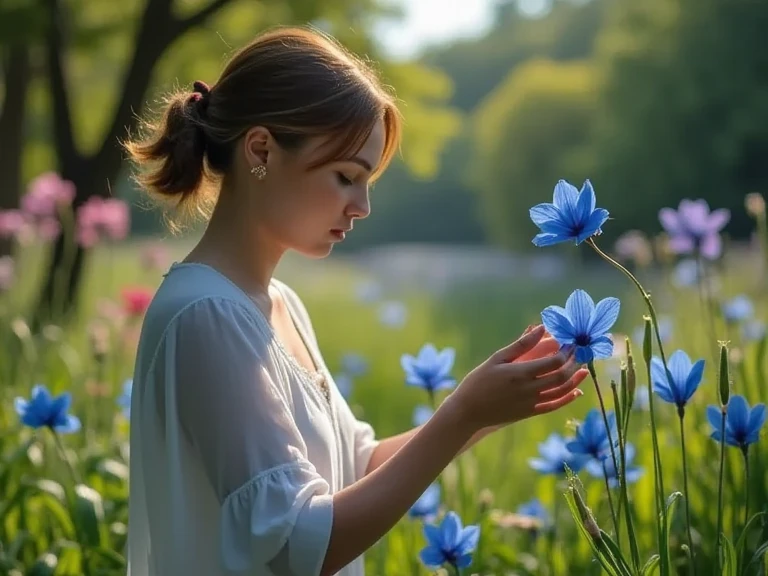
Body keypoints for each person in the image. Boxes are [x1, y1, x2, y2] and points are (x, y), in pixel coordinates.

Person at [123, 25, 588, 576]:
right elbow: (302, 546)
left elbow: (357, 466)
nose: (362, 205)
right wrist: (460, 414)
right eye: (347, 176)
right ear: (261, 149)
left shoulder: (279, 304)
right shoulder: (206, 315)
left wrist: (488, 408)